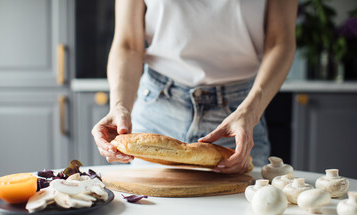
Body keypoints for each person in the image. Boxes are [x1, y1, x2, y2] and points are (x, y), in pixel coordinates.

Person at [92, 0, 298, 174]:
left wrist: (250, 112)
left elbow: (280, 41)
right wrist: (119, 105)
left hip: (239, 115)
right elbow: (128, 44)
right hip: (157, 111)